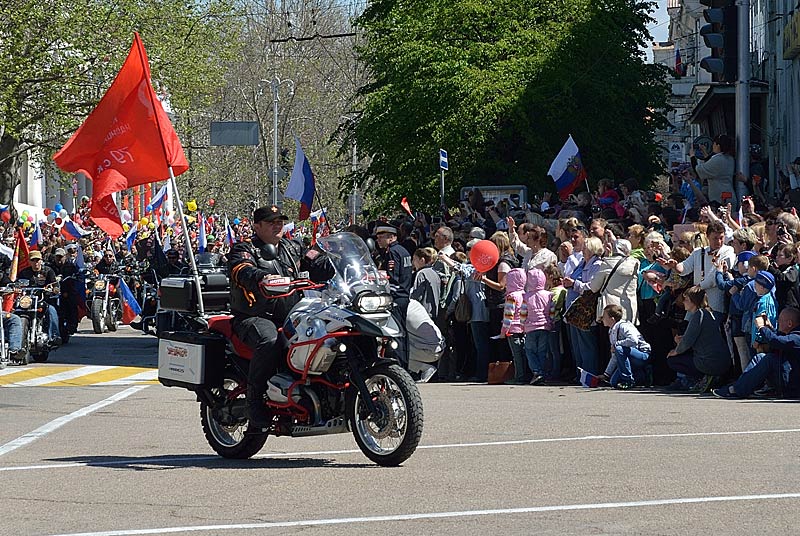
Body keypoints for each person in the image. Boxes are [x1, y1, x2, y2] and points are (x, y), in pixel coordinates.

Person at [228, 205, 307, 431]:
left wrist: (339, 264)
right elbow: (241, 270)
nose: (278, 225)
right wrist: (263, 277)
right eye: (271, 222)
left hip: (291, 315)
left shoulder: (292, 247)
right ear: (257, 226)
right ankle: (255, 400)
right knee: (270, 340)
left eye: (280, 221)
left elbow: (316, 263)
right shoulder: (245, 249)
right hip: (254, 317)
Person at [713, 307, 800, 399]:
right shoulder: (792, 336)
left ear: (790, 323)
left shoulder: (797, 338)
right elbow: (779, 338)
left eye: (780, 320)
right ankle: (739, 387)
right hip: (784, 376)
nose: (778, 321)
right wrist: (769, 328)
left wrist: (762, 327)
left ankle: (737, 390)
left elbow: (776, 341)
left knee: (770, 359)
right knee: (760, 357)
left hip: (792, 385)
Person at [666, 286, 731, 391]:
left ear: (693, 301)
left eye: (686, 299)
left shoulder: (699, 315)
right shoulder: (709, 312)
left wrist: (676, 351)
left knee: (672, 360)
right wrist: (682, 340)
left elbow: (688, 341)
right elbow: (698, 336)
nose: (683, 302)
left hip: (709, 362)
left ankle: (703, 377)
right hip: (722, 360)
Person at [374, 223, 413, 368]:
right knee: (402, 332)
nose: (378, 240)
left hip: (397, 296)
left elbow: (393, 277)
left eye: (381, 237)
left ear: (391, 237)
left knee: (396, 332)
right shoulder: (403, 250)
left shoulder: (392, 252)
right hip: (404, 295)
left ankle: (398, 365)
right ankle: (403, 364)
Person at [598, 304, 651, 389]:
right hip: (629, 356)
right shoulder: (611, 331)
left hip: (642, 354)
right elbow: (615, 356)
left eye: (604, 316)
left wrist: (616, 344)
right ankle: (642, 375)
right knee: (613, 382)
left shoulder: (624, 326)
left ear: (612, 319)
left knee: (619, 348)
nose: (602, 318)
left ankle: (628, 380)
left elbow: (633, 340)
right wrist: (606, 374)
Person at [18, 250, 61, 347]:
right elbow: (18, 282)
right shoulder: (24, 273)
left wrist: (54, 289)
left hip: (44, 300)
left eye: (37, 260)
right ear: (29, 261)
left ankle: (54, 336)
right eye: (33, 260)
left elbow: (55, 284)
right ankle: (14, 341)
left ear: (41, 260)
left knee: (51, 311)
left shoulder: (48, 271)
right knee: (15, 313)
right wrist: (16, 287)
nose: (36, 262)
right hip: (28, 301)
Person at [691, 134, 735, 209]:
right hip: (729, 193)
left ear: (718, 145)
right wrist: (704, 152)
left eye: (714, 143)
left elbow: (699, 170)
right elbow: (711, 166)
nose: (712, 146)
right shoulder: (730, 159)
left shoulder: (717, 159)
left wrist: (692, 156)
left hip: (719, 197)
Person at [51, 247, 80, 335]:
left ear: (65, 256)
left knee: (71, 302)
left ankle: (72, 325)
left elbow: (76, 275)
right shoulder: (50, 266)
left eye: (61, 257)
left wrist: (76, 276)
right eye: (57, 257)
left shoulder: (70, 266)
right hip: (53, 290)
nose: (59, 259)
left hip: (67, 289)